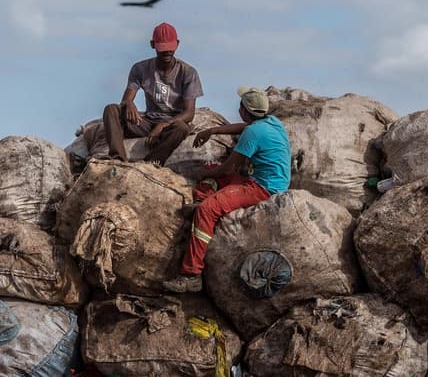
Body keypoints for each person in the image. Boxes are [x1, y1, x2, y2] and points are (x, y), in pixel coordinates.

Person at [164, 86, 292, 292]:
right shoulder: (272, 122)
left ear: (244, 110)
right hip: (273, 182)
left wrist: (200, 174)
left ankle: (191, 275)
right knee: (213, 173)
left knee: (207, 208)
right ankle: (202, 203)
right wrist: (213, 130)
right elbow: (245, 127)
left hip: (262, 188)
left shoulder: (252, 133)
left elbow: (229, 168)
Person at [100, 22, 203, 166]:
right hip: (147, 122)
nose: (167, 52)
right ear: (152, 44)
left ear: (177, 44)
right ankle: (118, 159)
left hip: (171, 125)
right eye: (163, 48)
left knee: (182, 128)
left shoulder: (188, 72)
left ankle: (151, 162)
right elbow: (127, 98)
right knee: (111, 109)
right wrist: (128, 103)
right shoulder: (140, 68)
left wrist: (163, 125)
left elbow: (189, 113)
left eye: (170, 48)